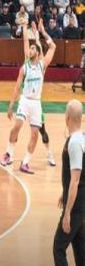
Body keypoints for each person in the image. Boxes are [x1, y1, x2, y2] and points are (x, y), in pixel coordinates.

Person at [2, 19, 56, 174]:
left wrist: (43, 31)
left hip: (36, 103)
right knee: (16, 127)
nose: (30, 49)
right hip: (25, 101)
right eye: (30, 48)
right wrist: (11, 105)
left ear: (37, 52)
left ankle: (25, 163)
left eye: (33, 48)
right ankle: (8, 154)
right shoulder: (24, 66)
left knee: (35, 134)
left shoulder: (42, 65)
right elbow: (16, 87)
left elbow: (53, 46)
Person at [53, 99, 84, 266]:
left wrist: (67, 213)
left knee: (58, 248)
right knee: (80, 252)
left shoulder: (74, 143)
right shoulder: (81, 138)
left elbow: (76, 179)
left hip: (76, 206)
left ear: (67, 118)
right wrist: (63, 192)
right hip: (81, 204)